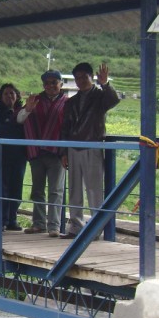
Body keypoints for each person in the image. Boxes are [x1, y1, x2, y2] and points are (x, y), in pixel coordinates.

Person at [61, 62, 120, 239]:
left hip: (92, 145)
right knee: (74, 189)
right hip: (72, 146)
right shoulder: (71, 102)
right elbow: (65, 127)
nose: (80, 81)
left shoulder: (100, 96)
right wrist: (63, 151)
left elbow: (114, 100)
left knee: (94, 188)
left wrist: (105, 83)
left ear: (90, 77)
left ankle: (96, 228)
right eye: (77, 78)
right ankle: (75, 227)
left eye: (83, 77)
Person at [17, 70, 68, 237]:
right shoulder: (35, 100)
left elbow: (70, 128)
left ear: (61, 84)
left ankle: (54, 226)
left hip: (57, 153)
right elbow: (19, 119)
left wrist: (66, 152)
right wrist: (28, 109)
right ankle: (39, 224)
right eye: (47, 83)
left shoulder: (67, 102)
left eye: (54, 82)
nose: (51, 86)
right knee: (37, 189)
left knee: (56, 190)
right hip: (37, 152)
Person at [0, 80, 26, 231]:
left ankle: (12, 219)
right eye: (5, 93)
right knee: (1, 188)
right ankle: (1, 219)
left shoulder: (22, 112)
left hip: (19, 156)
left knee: (16, 189)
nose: (9, 96)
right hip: (0, 155)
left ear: (17, 96)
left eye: (12, 93)